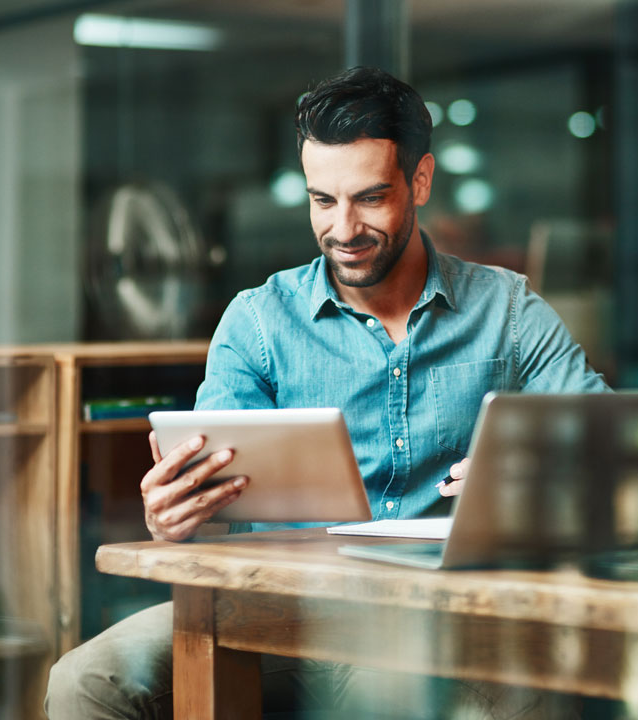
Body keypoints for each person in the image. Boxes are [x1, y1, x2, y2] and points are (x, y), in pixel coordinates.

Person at [46, 66, 608, 719]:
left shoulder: (508, 311)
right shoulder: (259, 321)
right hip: (281, 611)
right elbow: (212, 487)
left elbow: (607, 440)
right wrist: (172, 515)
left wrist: (532, 473)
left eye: (370, 197)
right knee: (87, 680)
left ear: (419, 180)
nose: (343, 228)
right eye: (322, 200)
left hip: (445, 619)